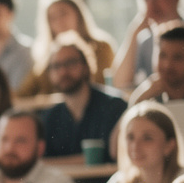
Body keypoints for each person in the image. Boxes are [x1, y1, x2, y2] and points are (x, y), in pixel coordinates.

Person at [39, 32, 128, 162]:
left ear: (86, 66)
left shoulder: (114, 106)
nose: (63, 71)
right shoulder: (49, 117)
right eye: (56, 66)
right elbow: (42, 162)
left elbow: (113, 155)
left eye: (70, 63)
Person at [16, 0, 118, 98]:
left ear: (78, 15)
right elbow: (23, 94)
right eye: (52, 18)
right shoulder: (45, 57)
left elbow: (103, 86)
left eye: (63, 14)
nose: (60, 21)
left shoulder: (101, 47)